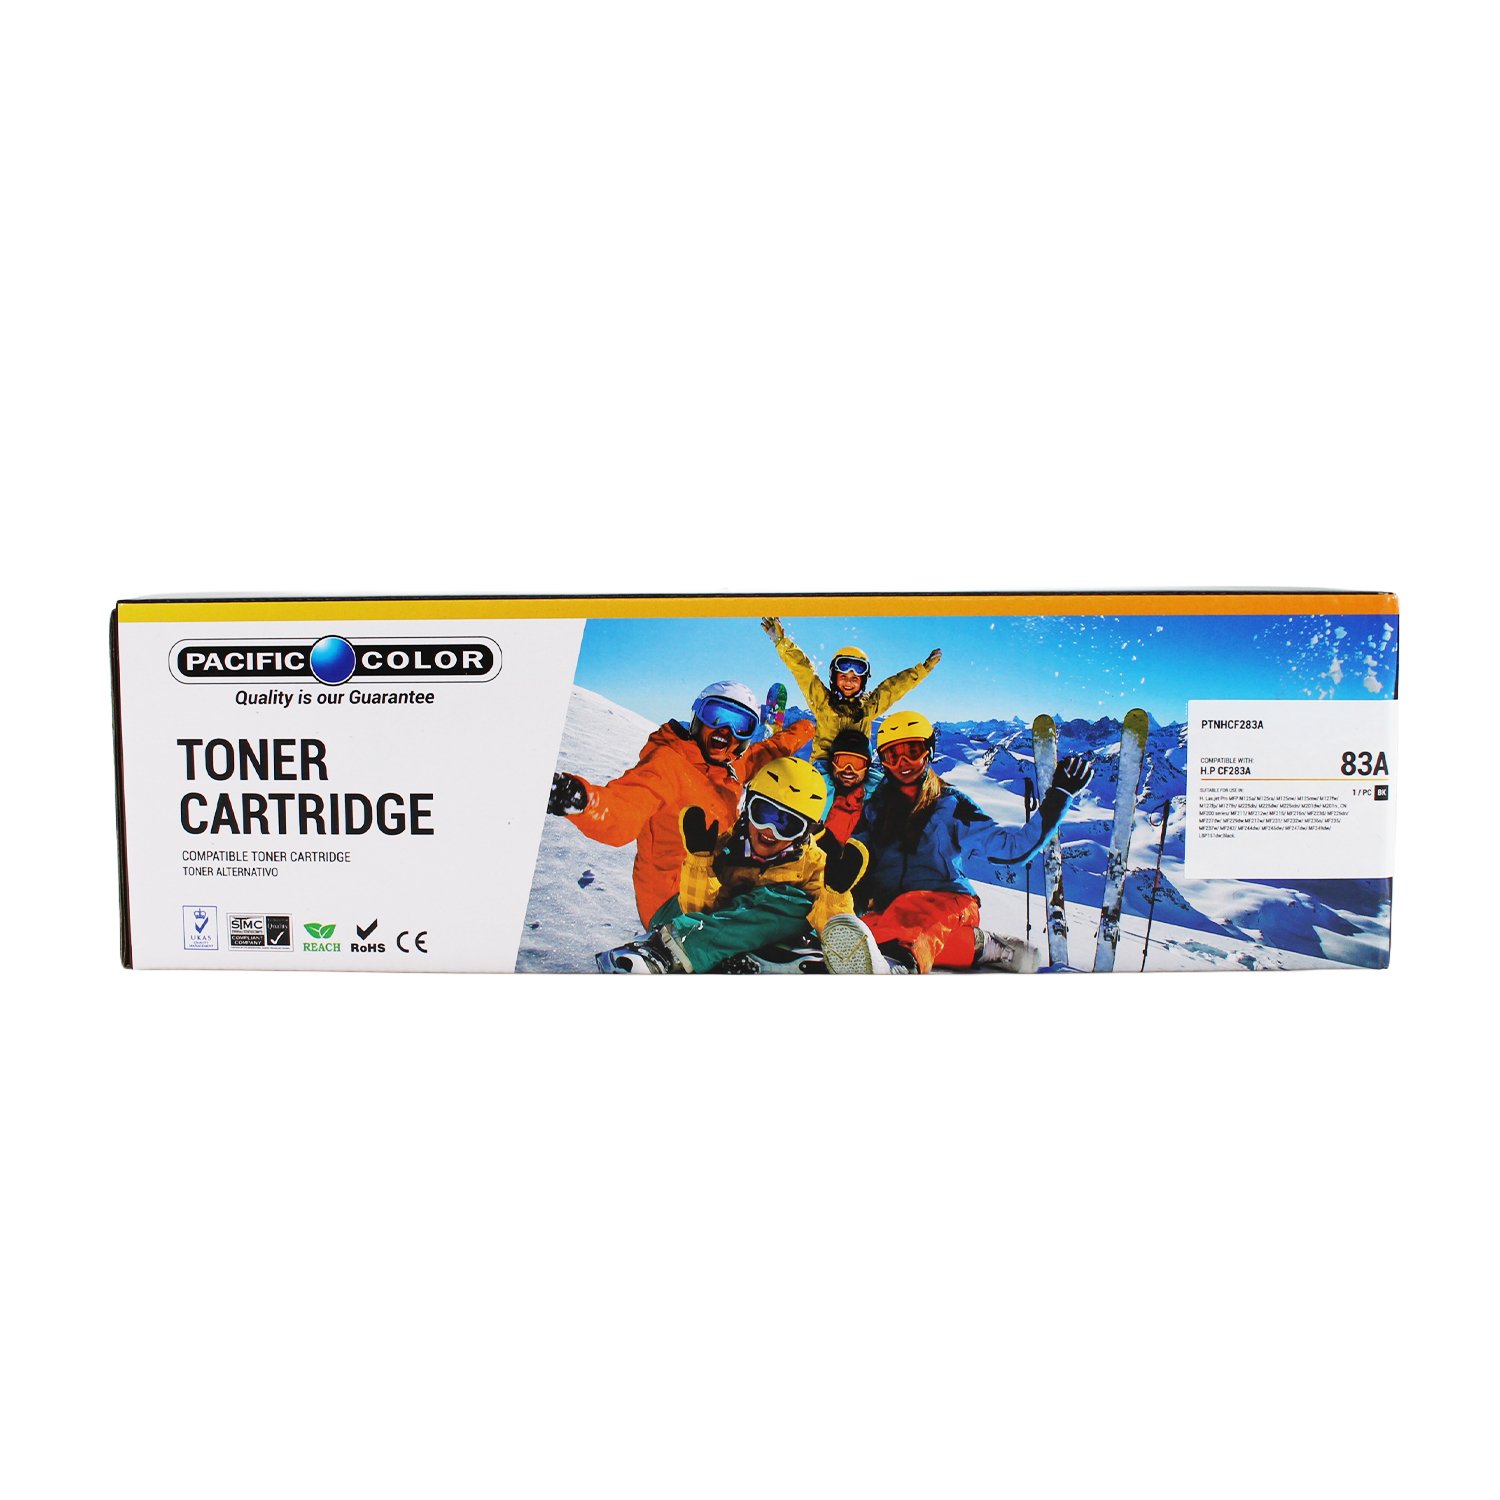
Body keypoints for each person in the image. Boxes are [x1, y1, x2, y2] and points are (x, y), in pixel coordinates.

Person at [821, 710, 1093, 975]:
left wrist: (1059, 796)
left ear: (929, 751)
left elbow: (1012, 849)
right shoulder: (875, 810)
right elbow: (858, 858)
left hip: (948, 900)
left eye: (913, 752)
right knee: (864, 932)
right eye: (893, 756)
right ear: (883, 761)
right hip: (893, 910)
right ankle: (984, 947)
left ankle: (897, 964)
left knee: (908, 917)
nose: (903, 762)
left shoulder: (950, 804)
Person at [548, 680, 813, 930]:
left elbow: (766, 751)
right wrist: (584, 801)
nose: (725, 730)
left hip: (713, 885)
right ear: (698, 718)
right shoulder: (667, 765)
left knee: (794, 895)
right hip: (671, 901)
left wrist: (807, 728)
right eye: (716, 716)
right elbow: (622, 809)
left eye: (740, 725)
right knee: (777, 916)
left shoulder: (727, 767)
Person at [597, 757, 869, 973]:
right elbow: (698, 911)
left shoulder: (813, 864)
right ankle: (668, 950)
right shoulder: (724, 846)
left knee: (796, 903)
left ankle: (693, 953)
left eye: (788, 824)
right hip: (691, 926)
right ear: (747, 807)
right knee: (681, 906)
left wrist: (835, 895)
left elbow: (831, 929)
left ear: (805, 833)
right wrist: (700, 862)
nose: (770, 830)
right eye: (763, 813)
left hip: (727, 936)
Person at [760, 617, 941, 764]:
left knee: (882, 785)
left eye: (855, 679)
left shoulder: (868, 707)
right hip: (824, 768)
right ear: (834, 677)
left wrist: (923, 669)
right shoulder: (823, 701)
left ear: (863, 682)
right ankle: (773, 750)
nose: (848, 682)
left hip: (858, 770)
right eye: (843, 677)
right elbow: (803, 670)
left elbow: (894, 688)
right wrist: (781, 642)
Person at [823, 727, 874, 843]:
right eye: (842, 762)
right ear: (832, 762)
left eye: (857, 764)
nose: (848, 770)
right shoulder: (814, 787)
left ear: (867, 768)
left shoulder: (879, 796)